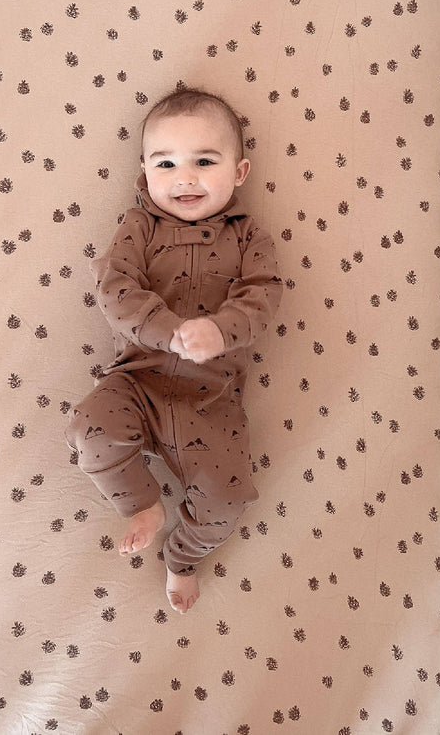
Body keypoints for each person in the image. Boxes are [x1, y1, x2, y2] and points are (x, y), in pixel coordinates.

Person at [66, 88, 282, 613]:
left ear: (239, 172)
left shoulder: (247, 235)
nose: (184, 178)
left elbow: (264, 293)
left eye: (204, 162)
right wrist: (166, 330)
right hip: (135, 381)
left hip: (210, 400)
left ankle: (182, 556)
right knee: (90, 429)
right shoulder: (139, 226)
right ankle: (143, 506)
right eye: (166, 164)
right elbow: (115, 288)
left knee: (228, 499)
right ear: (145, 174)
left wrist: (222, 330)